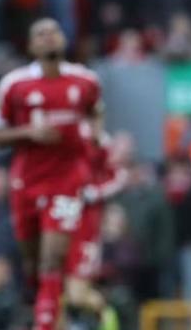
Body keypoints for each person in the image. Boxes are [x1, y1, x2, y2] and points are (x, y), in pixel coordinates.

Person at [0, 18, 103, 330]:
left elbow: (97, 111)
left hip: (67, 179)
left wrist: (95, 139)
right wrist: (28, 132)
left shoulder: (85, 80)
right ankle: (52, 314)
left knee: (53, 258)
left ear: (63, 40)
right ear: (31, 45)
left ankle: (45, 324)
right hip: (26, 181)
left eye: (54, 32)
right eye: (41, 34)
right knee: (34, 265)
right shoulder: (15, 84)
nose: (49, 38)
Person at [61, 133, 126, 330]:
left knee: (76, 292)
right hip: (60, 225)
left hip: (85, 232)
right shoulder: (65, 137)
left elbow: (118, 176)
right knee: (56, 287)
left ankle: (106, 314)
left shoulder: (98, 140)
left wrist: (93, 192)